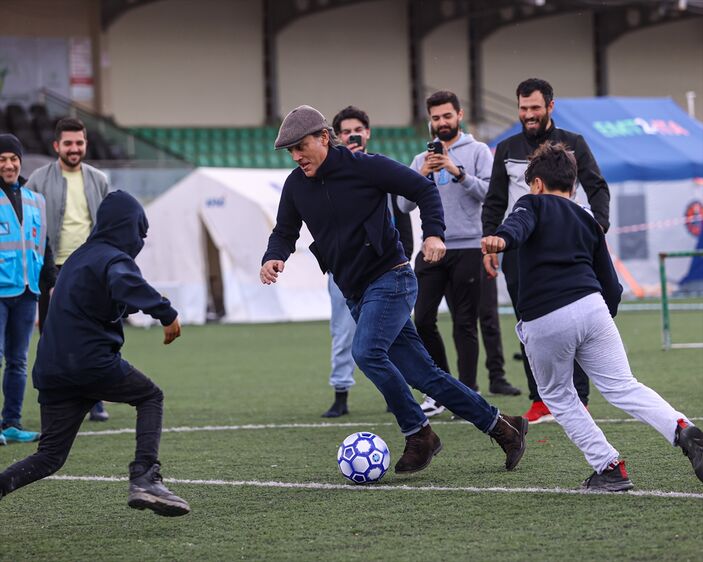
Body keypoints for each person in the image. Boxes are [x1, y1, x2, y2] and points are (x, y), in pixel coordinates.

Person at [260, 105, 527, 475]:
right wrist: (274, 257)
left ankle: (420, 434)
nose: (296, 156)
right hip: (355, 292)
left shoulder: (366, 167)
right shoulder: (295, 185)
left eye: (300, 146)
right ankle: (504, 428)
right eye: (290, 151)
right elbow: (284, 231)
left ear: (323, 137)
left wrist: (434, 233)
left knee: (367, 352)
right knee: (425, 376)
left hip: (392, 277)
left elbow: (423, 190)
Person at [481, 141, 702, 491]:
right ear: (572, 186)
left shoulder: (530, 203)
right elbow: (611, 285)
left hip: (547, 316)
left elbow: (518, 226)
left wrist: (500, 240)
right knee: (624, 386)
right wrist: (599, 318)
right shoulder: (588, 218)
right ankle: (682, 428)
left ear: (536, 183)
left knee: (558, 396)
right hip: (594, 309)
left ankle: (610, 467)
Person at [0, 190, 190, 515]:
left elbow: (112, 294)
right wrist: (166, 313)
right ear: (126, 228)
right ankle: (145, 477)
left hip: (52, 370)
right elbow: (124, 282)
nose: (140, 239)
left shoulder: (79, 258)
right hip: (89, 363)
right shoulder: (113, 259)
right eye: (138, 231)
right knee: (150, 397)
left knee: (49, 457)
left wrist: (140, 305)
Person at [482, 78, 610, 424]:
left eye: (535, 108)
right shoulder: (506, 148)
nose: (528, 115)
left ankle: (578, 398)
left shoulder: (574, 143)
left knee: (576, 319)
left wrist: (597, 228)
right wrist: (490, 243)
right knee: (529, 323)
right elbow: (494, 200)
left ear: (550, 107)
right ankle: (540, 400)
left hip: (570, 248)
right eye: (523, 109)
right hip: (520, 250)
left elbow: (597, 188)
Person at [398, 90, 520, 419]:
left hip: (468, 246)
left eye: (446, 116)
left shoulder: (478, 151)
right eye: (436, 118)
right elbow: (403, 205)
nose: (441, 123)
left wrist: (457, 171)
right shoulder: (420, 159)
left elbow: (490, 194)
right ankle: (439, 389)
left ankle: (467, 392)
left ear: (459, 115)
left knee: (465, 324)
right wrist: (421, 174)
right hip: (432, 247)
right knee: (421, 319)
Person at [321, 105, 414, 418]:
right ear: (335, 136)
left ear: (368, 133)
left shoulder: (381, 170)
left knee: (392, 335)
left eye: (357, 130)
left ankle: (394, 395)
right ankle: (341, 392)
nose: (352, 135)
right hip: (345, 270)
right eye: (345, 131)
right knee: (342, 331)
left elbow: (402, 213)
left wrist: (406, 253)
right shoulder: (327, 176)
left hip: (386, 269)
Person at [27, 117, 111, 422]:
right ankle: (57, 400)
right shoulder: (37, 179)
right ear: (56, 146)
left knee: (96, 335)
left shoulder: (99, 179)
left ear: (85, 144)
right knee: (52, 337)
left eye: (79, 143)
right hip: (52, 270)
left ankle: (96, 399)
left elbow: (107, 225)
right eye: (68, 143)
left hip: (90, 269)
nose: (74, 149)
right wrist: (42, 271)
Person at [0, 134, 56, 447]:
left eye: (13, 159)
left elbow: (43, 243)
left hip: (26, 290)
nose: (8, 165)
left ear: (20, 161)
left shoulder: (36, 200)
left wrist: (49, 279)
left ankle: (11, 423)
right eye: (2, 160)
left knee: (18, 360)